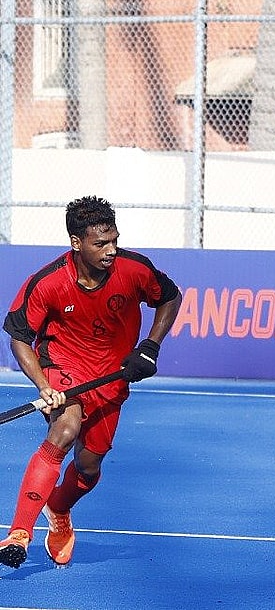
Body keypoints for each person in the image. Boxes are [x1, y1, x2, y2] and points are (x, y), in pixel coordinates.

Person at [0, 196, 182, 568]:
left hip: (111, 378)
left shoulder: (134, 269)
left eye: (113, 240)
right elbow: (19, 336)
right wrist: (43, 385)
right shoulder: (48, 282)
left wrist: (150, 346)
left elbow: (170, 297)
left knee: (89, 467)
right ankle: (19, 533)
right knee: (64, 430)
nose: (111, 250)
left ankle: (59, 508)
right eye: (101, 243)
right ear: (76, 243)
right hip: (63, 365)